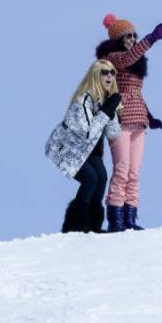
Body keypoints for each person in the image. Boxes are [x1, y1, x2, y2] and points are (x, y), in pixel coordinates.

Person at [95, 14, 162, 232]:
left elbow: (135, 93)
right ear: (117, 39)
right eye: (127, 36)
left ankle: (130, 218)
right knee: (122, 170)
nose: (131, 39)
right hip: (120, 121)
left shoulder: (136, 61)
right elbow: (128, 59)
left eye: (133, 35)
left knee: (134, 172)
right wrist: (152, 38)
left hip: (138, 121)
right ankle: (116, 221)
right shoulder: (113, 58)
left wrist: (149, 115)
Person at [45, 59, 122, 233]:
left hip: (89, 152)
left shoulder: (104, 101)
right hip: (65, 151)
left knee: (101, 177)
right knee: (90, 179)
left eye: (112, 72)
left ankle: (93, 227)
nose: (110, 76)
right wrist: (107, 110)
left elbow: (113, 133)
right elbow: (88, 133)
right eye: (104, 72)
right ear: (95, 76)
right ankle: (74, 227)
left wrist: (113, 111)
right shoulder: (82, 101)